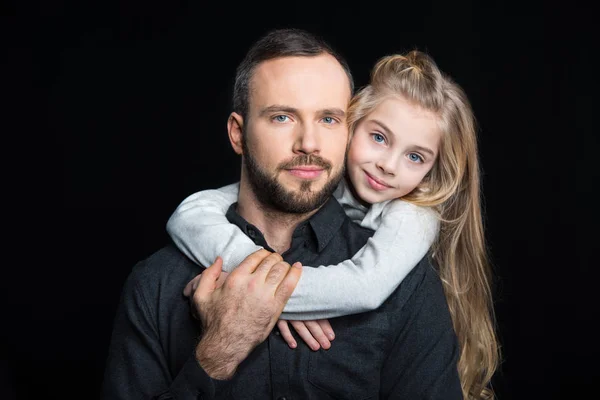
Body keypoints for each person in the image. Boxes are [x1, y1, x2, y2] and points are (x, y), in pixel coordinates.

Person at [101, 28, 490, 399]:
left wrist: (274, 292)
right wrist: (217, 353)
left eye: (328, 119)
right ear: (238, 134)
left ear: (343, 129)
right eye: (282, 117)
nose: (309, 142)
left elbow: (366, 287)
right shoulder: (157, 283)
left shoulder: (405, 280)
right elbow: (194, 211)